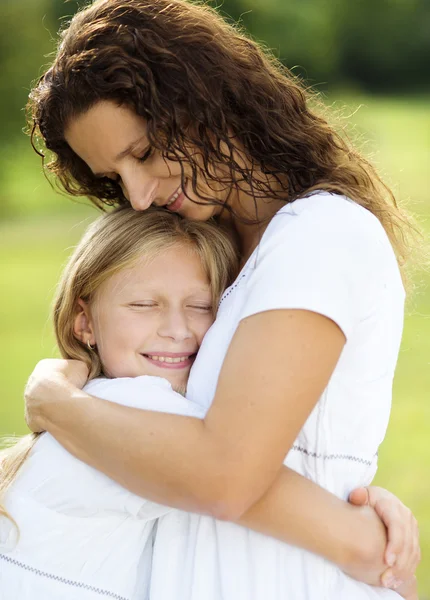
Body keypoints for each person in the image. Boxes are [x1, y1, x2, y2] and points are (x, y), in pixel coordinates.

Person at [24, 0, 420, 598]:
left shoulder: (321, 234)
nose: (135, 196)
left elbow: (225, 476)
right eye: (114, 175)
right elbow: (176, 432)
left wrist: (53, 400)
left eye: (142, 153)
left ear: (198, 101)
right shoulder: (214, 257)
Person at [0, 206, 237, 599]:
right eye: (144, 305)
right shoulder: (138, 403)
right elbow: (249, 478)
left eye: (201, 307)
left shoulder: (91, 401)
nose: (177, 330)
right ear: (85, 322)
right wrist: (363, 528)